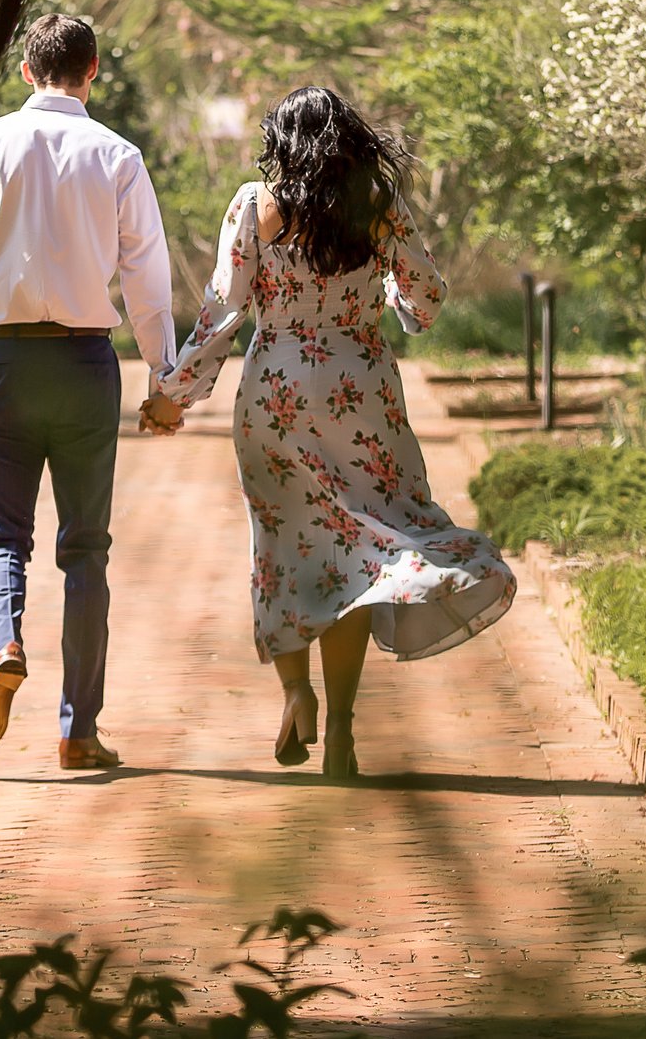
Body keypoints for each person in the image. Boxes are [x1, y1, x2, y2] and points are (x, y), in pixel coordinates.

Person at [140, 86, 514, 779]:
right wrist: (391, 298)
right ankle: (341, 731)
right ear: (348, 137)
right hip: (359, 392)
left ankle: (294, 693)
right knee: (356, 557)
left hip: (275, 392)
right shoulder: (376, 202)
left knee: (286, 546)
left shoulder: (253, 206)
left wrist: (173, 395)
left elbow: (221, 315)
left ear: (279, 142)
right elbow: (426, 299)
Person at [0, 14, 174, 770]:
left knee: (2, 533)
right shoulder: (117, 154)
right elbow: (147, 279)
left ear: (25, 72)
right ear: (93, 69)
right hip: (82, 363)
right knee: (86, 550)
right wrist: (162, 377)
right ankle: (78, 729)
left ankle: (6, 640)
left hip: (3, 361)